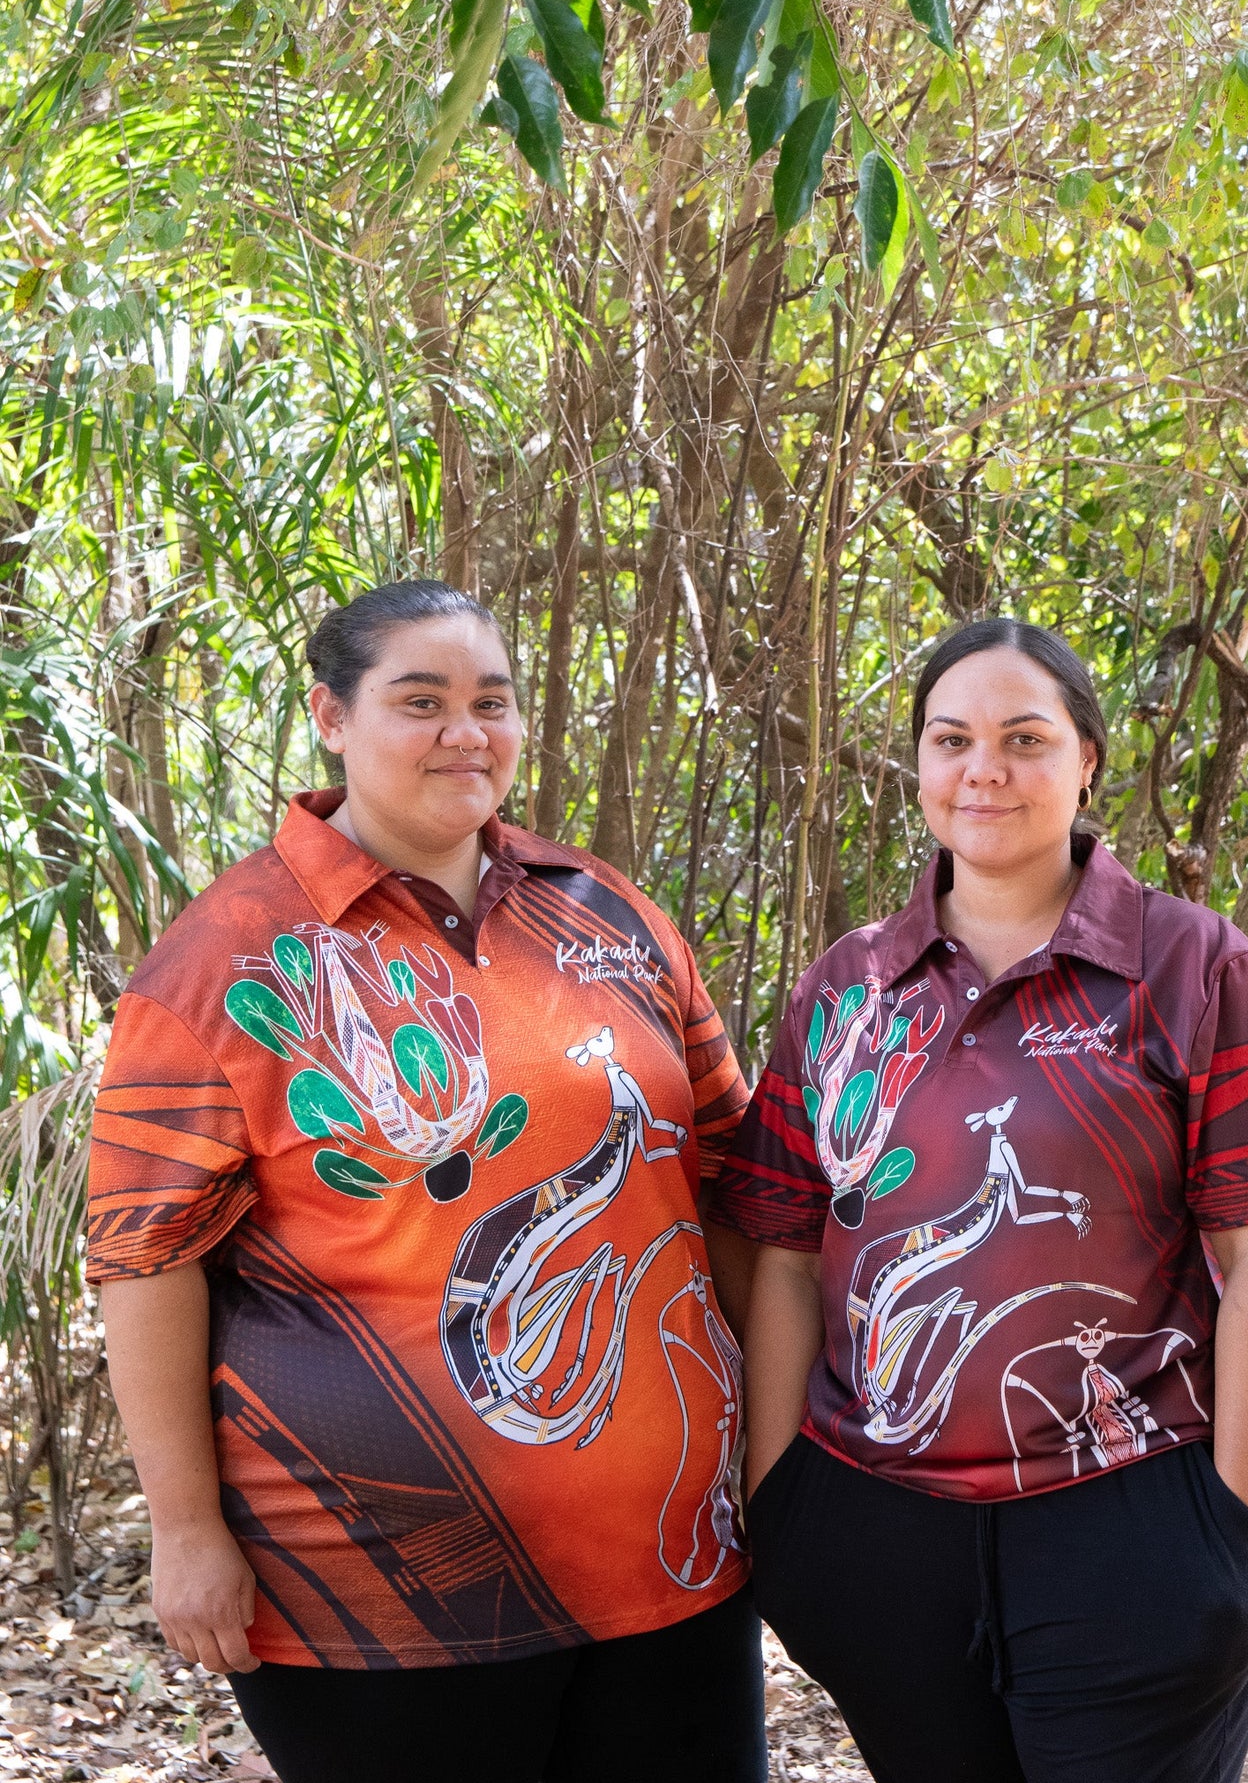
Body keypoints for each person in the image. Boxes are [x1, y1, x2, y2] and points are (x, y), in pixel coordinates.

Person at [88, 581, 766, 1783]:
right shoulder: (225, 957)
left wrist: (774, 1455)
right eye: (421, 701)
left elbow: (725, 1189)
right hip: (377, 1600)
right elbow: (147, 1256)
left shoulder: (603, 912)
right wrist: (186, 1532)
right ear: (330, 715)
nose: (467, 732)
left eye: (489, 702)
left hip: (670, 1562)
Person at [711, 618, 1248, 1783]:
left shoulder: (1191, 967)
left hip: (1129, 1516)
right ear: (917, 763)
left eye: (1022, 737)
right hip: (875, 1528)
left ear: (1086, 758)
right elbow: (786, 1253)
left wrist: (1231, 1526)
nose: (982, 770)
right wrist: (780, 1497)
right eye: (950, 739)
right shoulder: (846, 986)